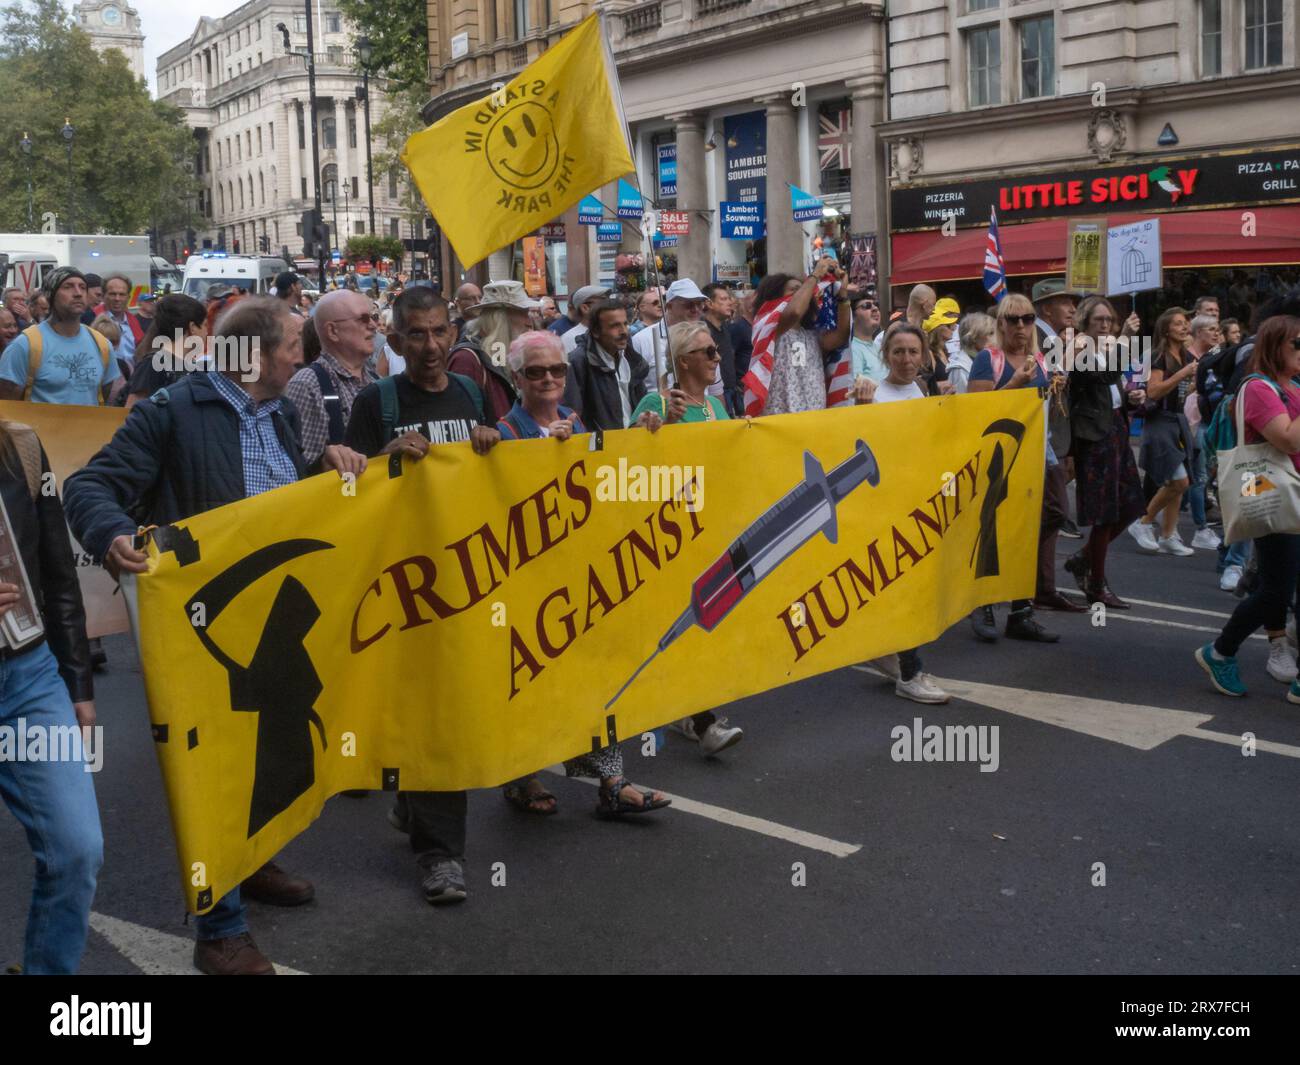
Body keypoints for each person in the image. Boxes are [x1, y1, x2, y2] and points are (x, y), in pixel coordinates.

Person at [64, 297, 363, 974]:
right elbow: (89, 486)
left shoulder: (281, 412)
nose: (302, 354)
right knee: (213, 770)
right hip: (209, 628)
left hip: (278, 622)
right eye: (294, 342)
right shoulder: (172, 410)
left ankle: (251, 861)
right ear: (255, 354)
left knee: (270, 753)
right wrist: (112, 536)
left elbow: (279, 503)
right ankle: (220, 929)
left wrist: (329, 469)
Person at [345, 287, 500, 904]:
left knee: (444, 704)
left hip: (459, 579)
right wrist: (381, 459)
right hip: (399, 582)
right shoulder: (375, 402)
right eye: (417, 336)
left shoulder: (469, 391)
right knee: (422, 703)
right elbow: (339, 493)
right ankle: (435, 847)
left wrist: (491, 445)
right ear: (395, 338)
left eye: (440, 333)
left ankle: (429, 829)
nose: (431, 347)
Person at [0, 416, 101, 973]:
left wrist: (77, 681)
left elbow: (59, 571)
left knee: (77, 848)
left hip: (29, 675)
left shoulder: (20, 444)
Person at [629, 321, 747, 752]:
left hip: (710, 528)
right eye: (709, 352)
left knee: (705, 622)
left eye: (716, 351)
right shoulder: (657, 401)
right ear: (683, 362)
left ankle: (685, 707)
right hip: (670, 532)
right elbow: (629, 460)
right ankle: (703, 721)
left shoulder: (716, 407)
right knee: (685, 619)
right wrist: (660, 426)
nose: (718, 359)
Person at [1195, 313, 1300, 698]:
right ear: (1276, 348)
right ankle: (1220, 652)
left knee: (1279, 585)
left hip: (1291, 491)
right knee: (1275, 590)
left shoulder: (1293, 386)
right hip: (1270, 491)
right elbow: (1288, 439)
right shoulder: (1258, 388)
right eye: (1298, 344)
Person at [856, 324, 950, 703]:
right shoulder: (872, 393)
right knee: (904, 589)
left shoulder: (923, 390)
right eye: (899, 352)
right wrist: (861, 410)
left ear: (924, 354)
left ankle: (886, 651)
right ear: (885, 356)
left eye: (914, 351)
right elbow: (855, 445)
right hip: (883, 507)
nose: (907, 359)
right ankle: (910, 673)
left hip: (915, 501)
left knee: (906, 589)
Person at [966, 293, 1064, 642]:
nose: (1021, 326)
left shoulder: (1040, 359)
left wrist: (1053, 388)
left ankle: (1021, 610)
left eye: (1027, 319)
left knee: (1044, 518)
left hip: (1035, 453)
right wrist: (1015, 383)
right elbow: (978, 413)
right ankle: (987, 605)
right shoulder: (987, 359)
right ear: (1001, 324)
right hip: (997, 457)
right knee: (994, 530)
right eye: (1013, 319)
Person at [1061, 296, 1148, 607]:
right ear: (1085, 322)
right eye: (1099, 320)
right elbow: (1102, 376)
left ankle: (1084, 559)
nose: (1105, 325)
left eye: (1109, 320)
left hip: (1116, 429)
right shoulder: (1079, 346)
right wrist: (1125, 338)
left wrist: (1132, 397)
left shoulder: (1109, 348)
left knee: (1132, 503)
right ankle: (1096, 583)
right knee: (1104, 512)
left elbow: (1112, 388)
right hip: (1094, 437)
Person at [283, 289, 381, 471]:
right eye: (363, 319)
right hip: (341, 497)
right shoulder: (308, 386)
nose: (374, 325)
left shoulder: (376, 380)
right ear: (333, 331)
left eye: (374, 317)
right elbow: (298, 470)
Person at [1128, 308, 1196, 556]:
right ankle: (1142, 522)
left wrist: (1189, 384)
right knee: (1179, 481)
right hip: (1160, 424)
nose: (1184, 326)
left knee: (1178, 483)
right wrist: (1181, 375)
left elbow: (1180, 391)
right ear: (1166, 329)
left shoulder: (1186, 356)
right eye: (1178, 323)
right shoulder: (1159, 356)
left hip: (1177, 422)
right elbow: (1154, 391)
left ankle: (1168, 535)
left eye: (1185, 322)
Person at [0, 268, 119, 405]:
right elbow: (7, 408)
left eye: (82, 287)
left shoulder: (102, 345)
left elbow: (103, 395)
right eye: (68, 287)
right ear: (50, 296)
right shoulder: (24, 345)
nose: (78, 293)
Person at [757, 258, 851, 415]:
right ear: (775, 298)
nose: (804, 293)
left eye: (803, 289)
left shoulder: (811, 335)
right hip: (780, 423)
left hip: (813, 421)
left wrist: (842, 292)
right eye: (794, 290)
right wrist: (815, 276)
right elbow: (794, 312)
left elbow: (840, 336)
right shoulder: (771, 330)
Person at [447, 280, 534, 423]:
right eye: (523, 314)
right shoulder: (466, 360)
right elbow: (460, 423)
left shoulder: (498, 352)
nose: (529, 322)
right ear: (500, 318)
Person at [563, 300, 653, 431]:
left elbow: (640, 404)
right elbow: (573, 415)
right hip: (600, 447)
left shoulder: (632, 358)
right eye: (615, 326)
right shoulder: (578, 362)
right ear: (595, 331)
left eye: (625, 324)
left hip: (634, 441)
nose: (624, 331)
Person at [125, 294, 207, 408]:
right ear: (192, 327)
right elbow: (132, 412)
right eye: (204, 325)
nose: (207, 332)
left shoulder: (188, 364)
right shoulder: (153, 364)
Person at [1185, 314, 1225, 550]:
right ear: (1198, 332)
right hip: (1194, 422)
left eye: (1217, 329)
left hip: (1212, 421)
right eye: (1211, 329)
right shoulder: (1188, 357)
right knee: (1197, 478)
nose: (1216, 333)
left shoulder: (1216, 357)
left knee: (1207, 475)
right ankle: (1200, 529)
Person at [701, 283, 739, 412]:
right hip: (714, 394)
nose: (730, 303)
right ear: (709, 303)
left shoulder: (725, 328)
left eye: (729, 299)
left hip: (731, 391)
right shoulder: (703, 331)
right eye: (723, 299)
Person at [93, 275, 145, 367]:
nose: (117, 299)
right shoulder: (91, 319)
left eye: (122, 294)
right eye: (113, 294)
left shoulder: (135, 322)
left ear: (128, 297)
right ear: (104, 296)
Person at [920, 297, 959, 396]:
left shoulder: (943, 350)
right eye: (949, 325)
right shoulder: (929, 353)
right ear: (938, 328)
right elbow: (922, 385)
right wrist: (938, 386)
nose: (954, 328)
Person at [558, 284, 611, 354]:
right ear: (585, 308)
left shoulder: (611, 333)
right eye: (603, 302)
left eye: (608, 301)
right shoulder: (569, 339)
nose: (609, 306)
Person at [952, 312, 993, 395]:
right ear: (974, 337)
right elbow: (963, 403)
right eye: (990, 333)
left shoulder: (989, 359)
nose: (995, 338)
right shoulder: (960, 369)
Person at [849, 293, 886, 386]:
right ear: (852, 316)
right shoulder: (852, 350)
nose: (875, 309)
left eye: (876, 304)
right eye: (867, 306)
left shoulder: (879, 347)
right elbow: (856, 388)